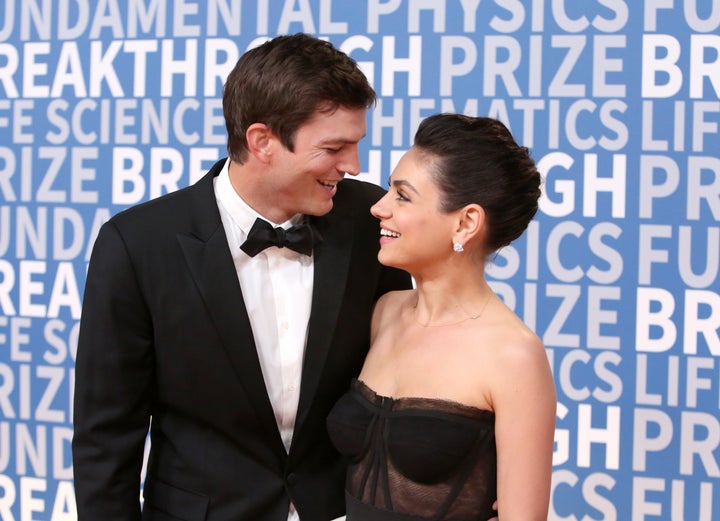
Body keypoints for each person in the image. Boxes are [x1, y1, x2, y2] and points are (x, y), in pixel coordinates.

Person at [72, 33, 412, 521]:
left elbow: (400, 383)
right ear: (262, 141)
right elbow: (106, 437)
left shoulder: (370, 221)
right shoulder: (138, 244)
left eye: (355, 146)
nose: (352, 167)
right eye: (334, 148)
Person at [327, 113, 557, 520]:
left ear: (466, 222)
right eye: (388, 190)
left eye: (403, 196)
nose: (379, 208)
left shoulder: (513, 355)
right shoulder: (386, 312)